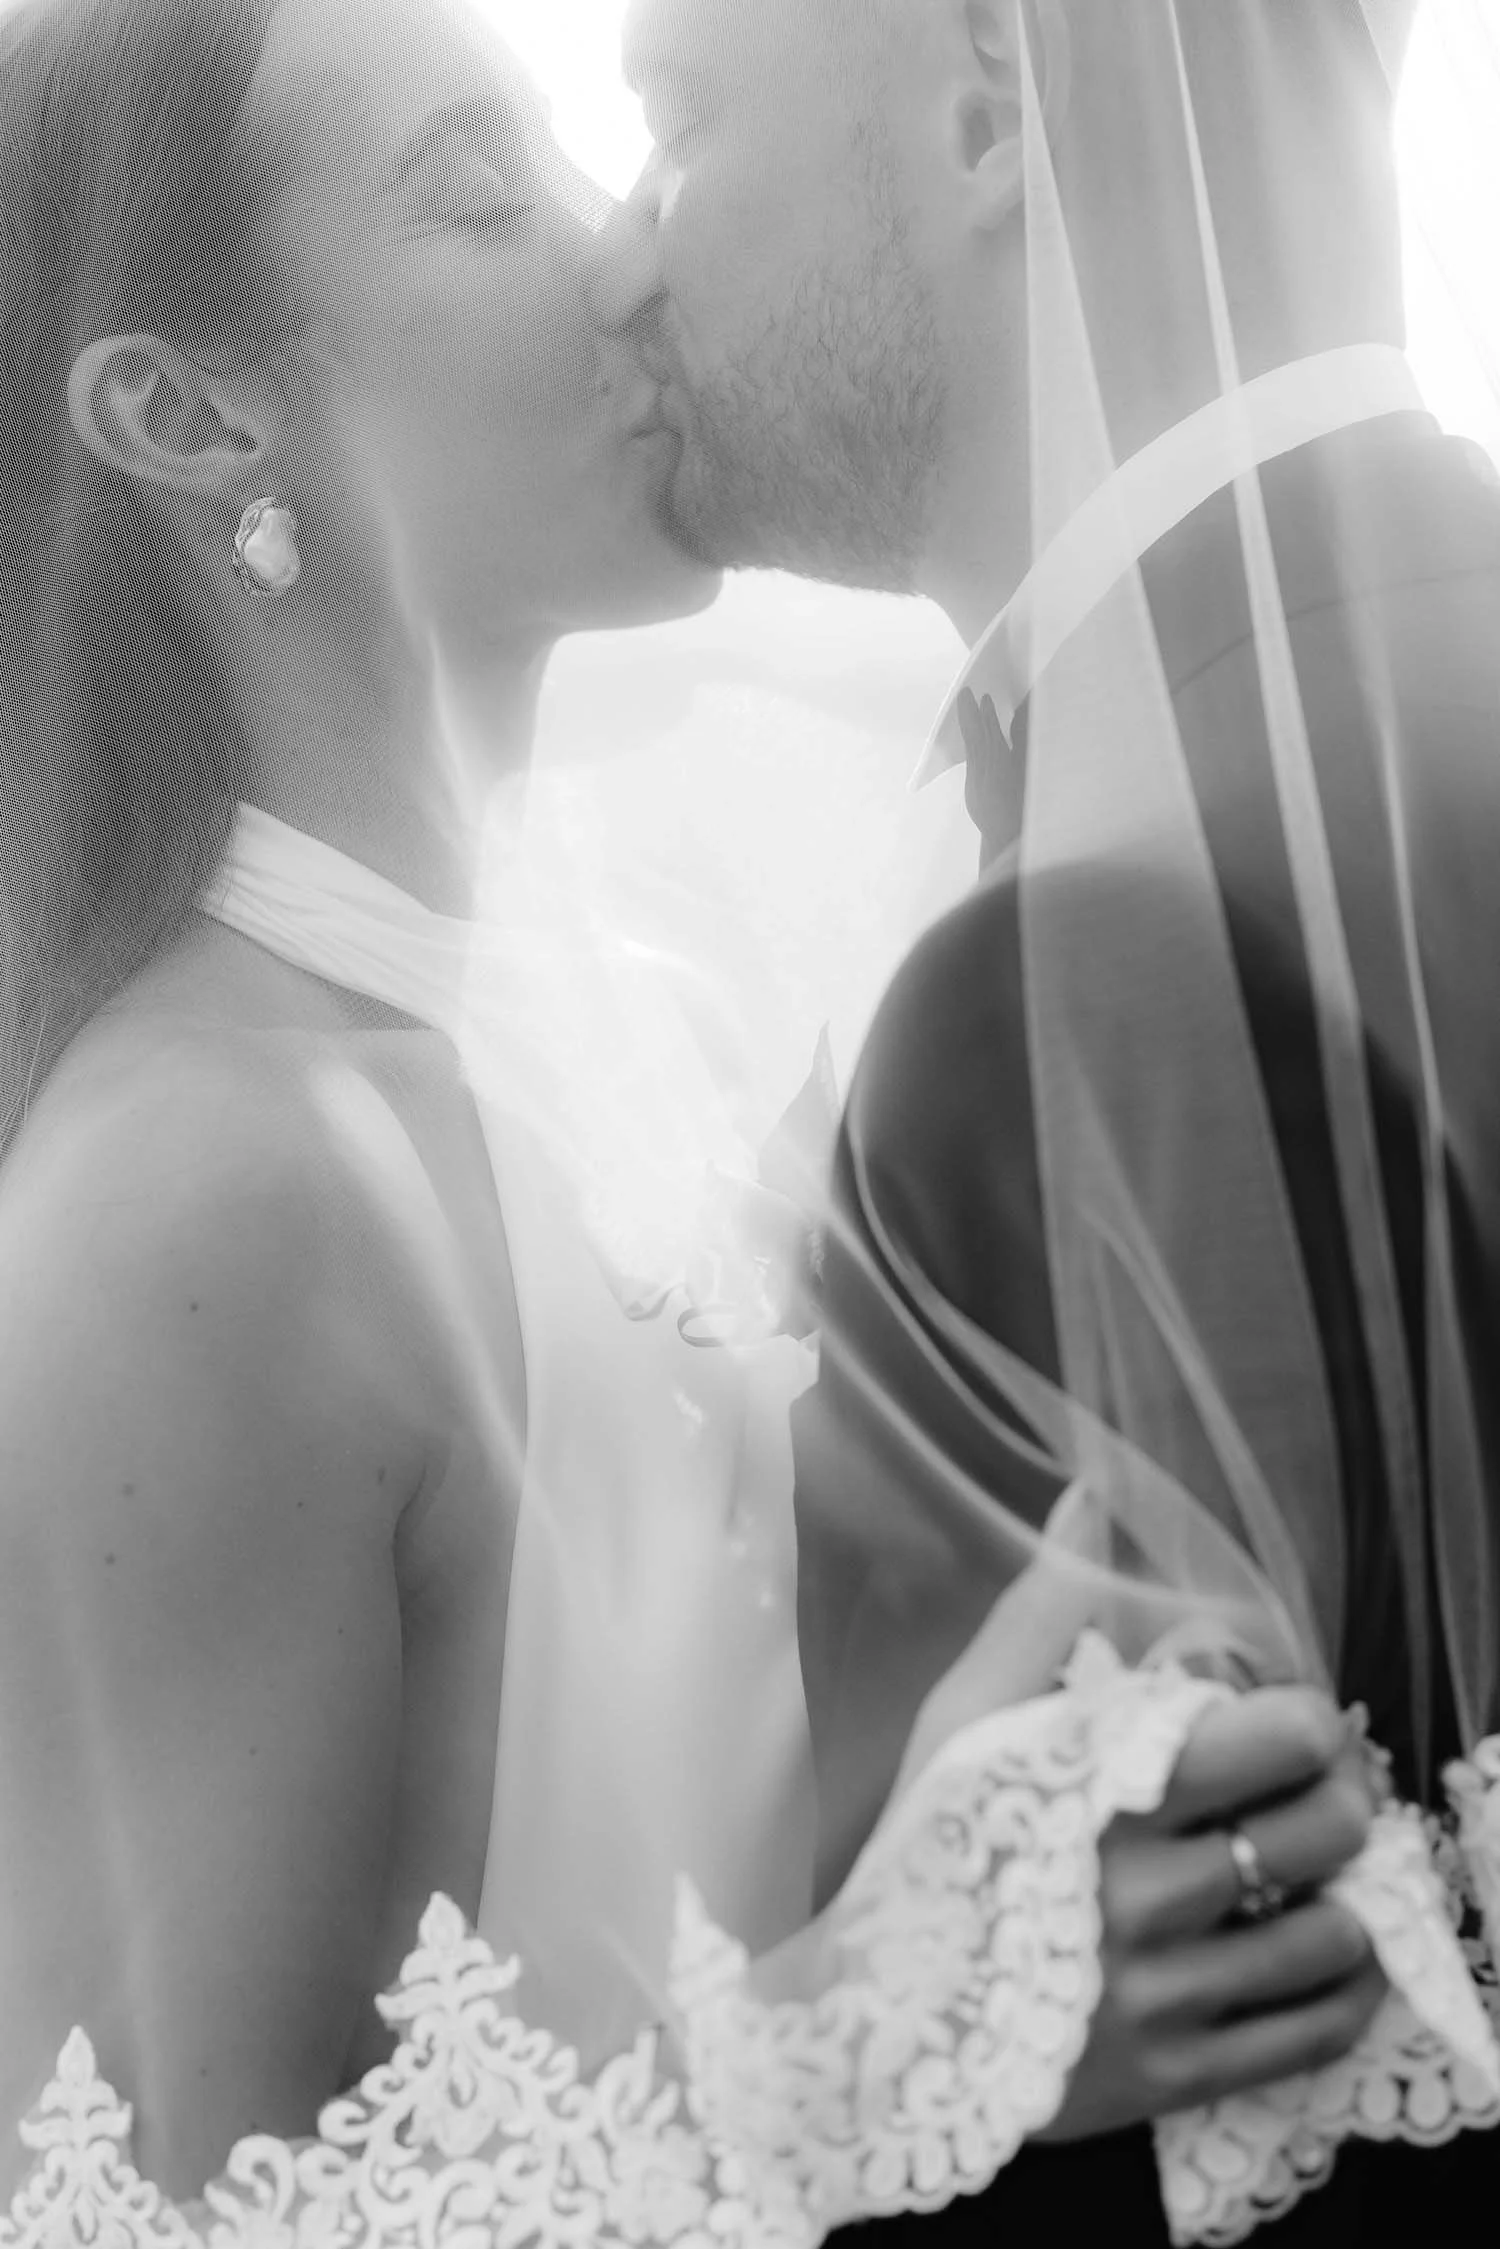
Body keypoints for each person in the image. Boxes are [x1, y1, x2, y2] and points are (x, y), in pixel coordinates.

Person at [0, 0, 1466, 2236]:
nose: (616, 260)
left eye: (614, 162)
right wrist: (874, 2046)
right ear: (189, 413)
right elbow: (161, 2207)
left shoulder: (584, 1085)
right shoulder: (192, 1193)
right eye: (489, 196)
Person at [597, 0, 1500, 2237]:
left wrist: (850, 2080)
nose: (622, 263)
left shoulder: (1059, 990)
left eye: (677, 119)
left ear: (993, 104)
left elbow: (1249, 2070)